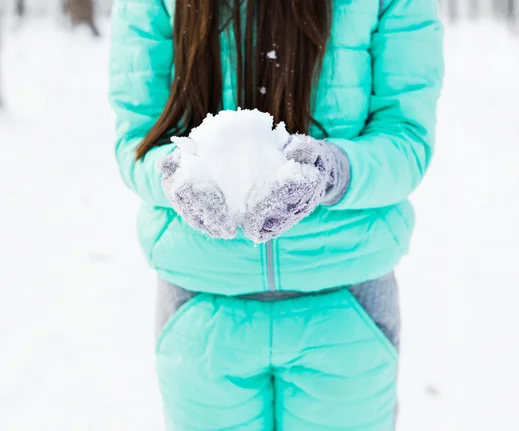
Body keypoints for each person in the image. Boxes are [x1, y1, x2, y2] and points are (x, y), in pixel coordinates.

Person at [108, 0, 443, 429]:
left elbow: (407, 139)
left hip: (345, 308)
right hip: (201, 308)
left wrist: (332, 171)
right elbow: (136, 140)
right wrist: (174, 177)